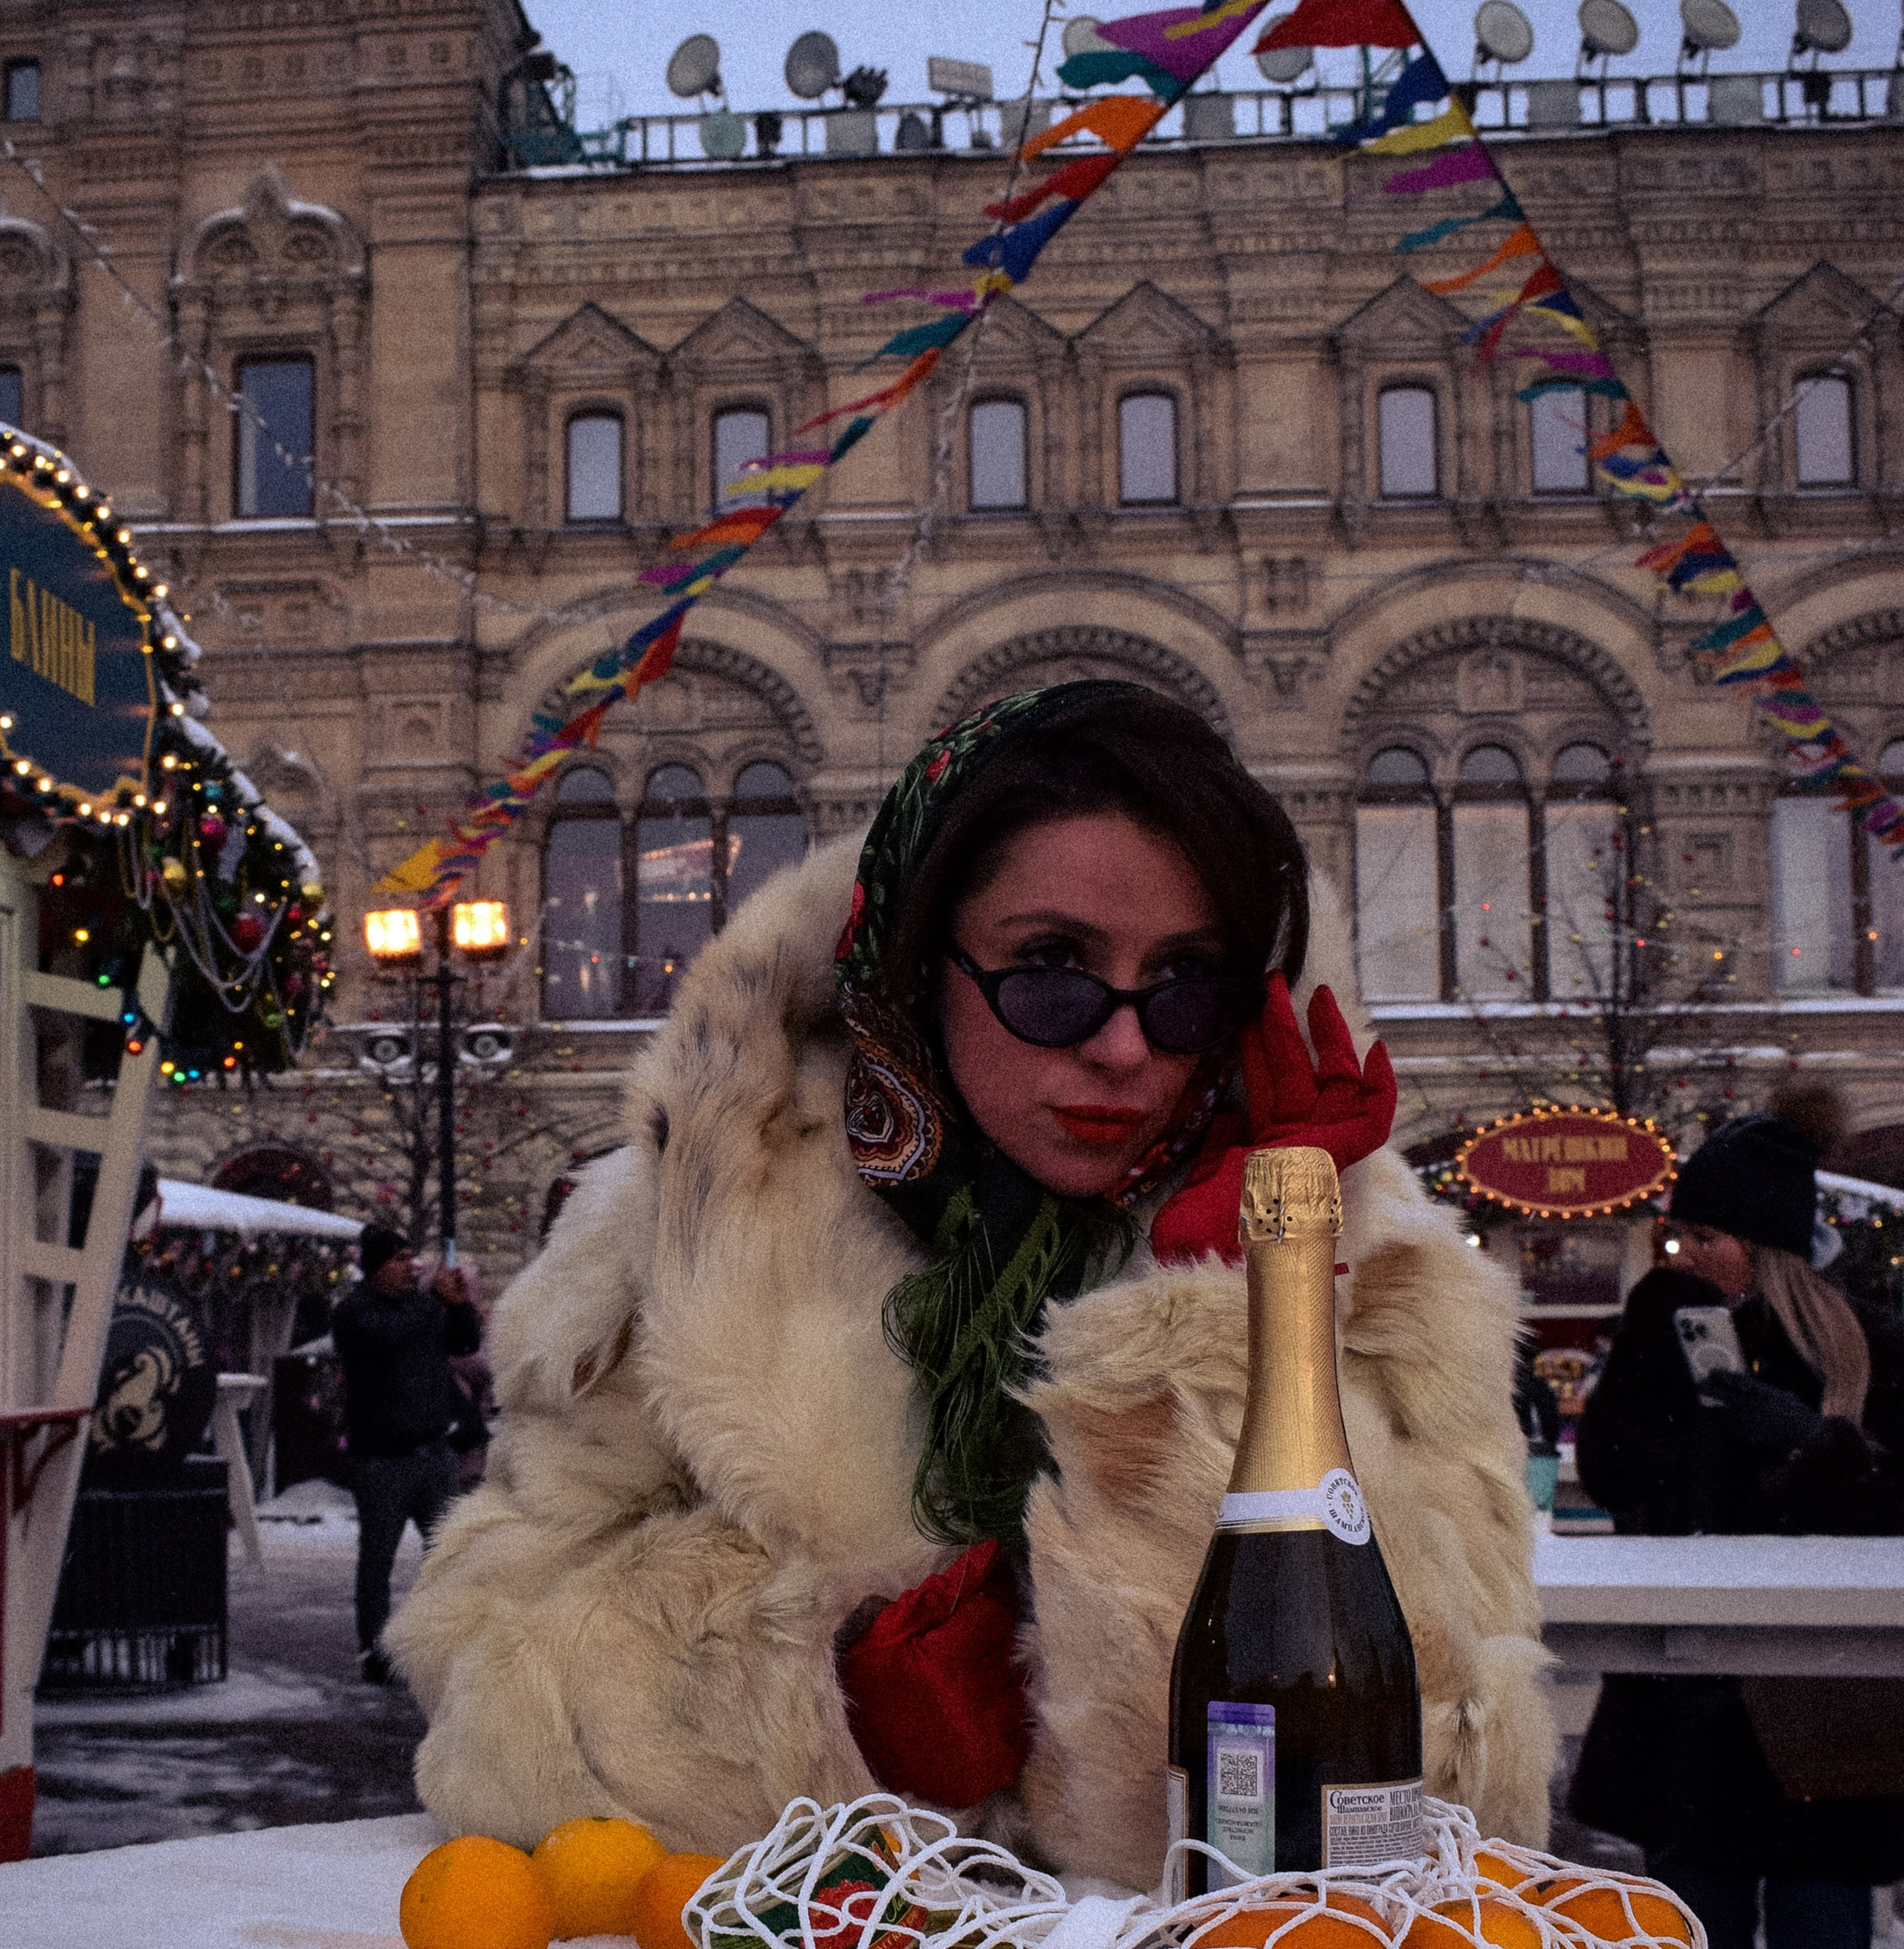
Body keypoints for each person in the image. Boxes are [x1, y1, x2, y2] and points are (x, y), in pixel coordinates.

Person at [386, 683, 1551, 1881]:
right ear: (920, 961)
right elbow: (483, 1698)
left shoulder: (1366, 1263)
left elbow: (1466, 1792)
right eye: (1050, 969)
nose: (1123, 1047)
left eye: (1188, 984)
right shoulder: (707, 1209)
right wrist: (821, 1700)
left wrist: (1221, 1325)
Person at [1570, 1094, 1904, 1949]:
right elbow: (1611, 1474)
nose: (1682, 1254)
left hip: (1821, 1707)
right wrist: (1653, 1368)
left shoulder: (1868, 1347)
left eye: (1703, 1237)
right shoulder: (1662, 1325)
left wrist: (1809, 1440)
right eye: (1678, 1236)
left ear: (1761, 1244)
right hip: (1692, 1708)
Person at [331, 1226, 482, 1684]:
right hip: (382, 1459)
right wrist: (436, 1304)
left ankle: (447, 1641)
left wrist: (458, 1306)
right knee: (378, 1559)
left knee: (452, 1553)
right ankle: (375, 1652)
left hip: (432, 1453)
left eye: (411, 1257)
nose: (409, 1267)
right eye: (398, 1259)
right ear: (376, 1267)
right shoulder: (355, 1311)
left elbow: (464, 1343)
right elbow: (386, 1338)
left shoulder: (422, 1307)